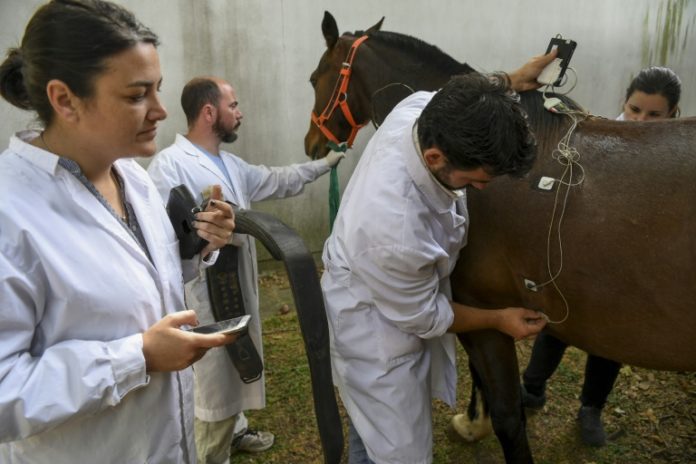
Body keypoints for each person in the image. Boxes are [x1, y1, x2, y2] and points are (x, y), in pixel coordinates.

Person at [0, 1, 238, 462]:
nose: (161, 110)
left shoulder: (132, 176)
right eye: (136, 96)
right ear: (64, 99)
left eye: (158, 90)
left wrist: (198, 246)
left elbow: (129, 284)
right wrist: (137, 358)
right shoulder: (10, 213)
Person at [320, 51, 557, 463]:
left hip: (380, 281)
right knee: (401, 448)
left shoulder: (418, 110)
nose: (481, 190)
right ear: (435, 158)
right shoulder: (394, 229)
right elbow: (427, 316)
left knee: (369, 425)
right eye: (476, 180)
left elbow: (453, 94)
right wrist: (499, 319)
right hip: (375, 333)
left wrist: (512, 79)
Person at [147, 76, 344, 464]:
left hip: (237, 286)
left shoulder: (231, 164)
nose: (240, 113)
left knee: (237, 363)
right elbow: (160, 244)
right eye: (233, 105)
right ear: (208, 112)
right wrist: (203, 232)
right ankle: (211, 453)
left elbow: (277, 178)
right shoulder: (167, 168)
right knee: (213, 384)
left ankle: (235, 430)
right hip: (202, 295)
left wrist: (323, 165)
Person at [521, 65, 682, 447]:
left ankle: (590, 408)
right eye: (634, 110)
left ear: (673, 116)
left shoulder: (676, 158)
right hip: (583, 252)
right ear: (624, 103)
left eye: (653, 115)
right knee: (558, 320)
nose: (640, 121)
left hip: (631, 265)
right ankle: (531, 387)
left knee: (611, 337)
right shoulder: (599, 136)